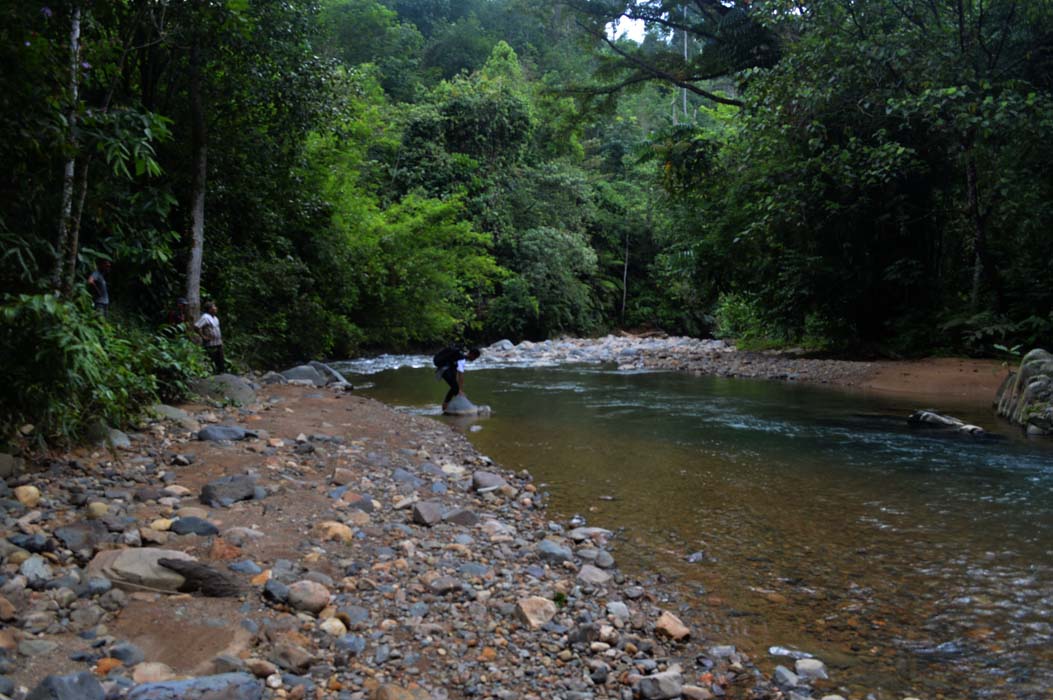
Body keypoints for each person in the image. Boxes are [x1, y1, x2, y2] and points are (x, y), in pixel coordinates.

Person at [438, 346, 481, 412]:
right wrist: (460, 390)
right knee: (456, 388)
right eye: (475, 357)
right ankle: (445, 404)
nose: (474, 359)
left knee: (455, 388)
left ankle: (447, 404)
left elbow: (456, 373)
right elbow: (460, 375)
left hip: (445, 369)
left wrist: (459, 390)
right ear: (472, 354)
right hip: (444, 370)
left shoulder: (460, 356)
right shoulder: (461, 359)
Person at [194, 301, 225, 374]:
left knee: (220, 360)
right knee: (212, 360)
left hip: (218, 343)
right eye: (214, 307)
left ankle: (221, 374)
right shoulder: (205, 317)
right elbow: (197, 326)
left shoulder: (216, 318)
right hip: (210, 344)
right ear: (210, 309)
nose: (216, 308)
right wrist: (203, 336)